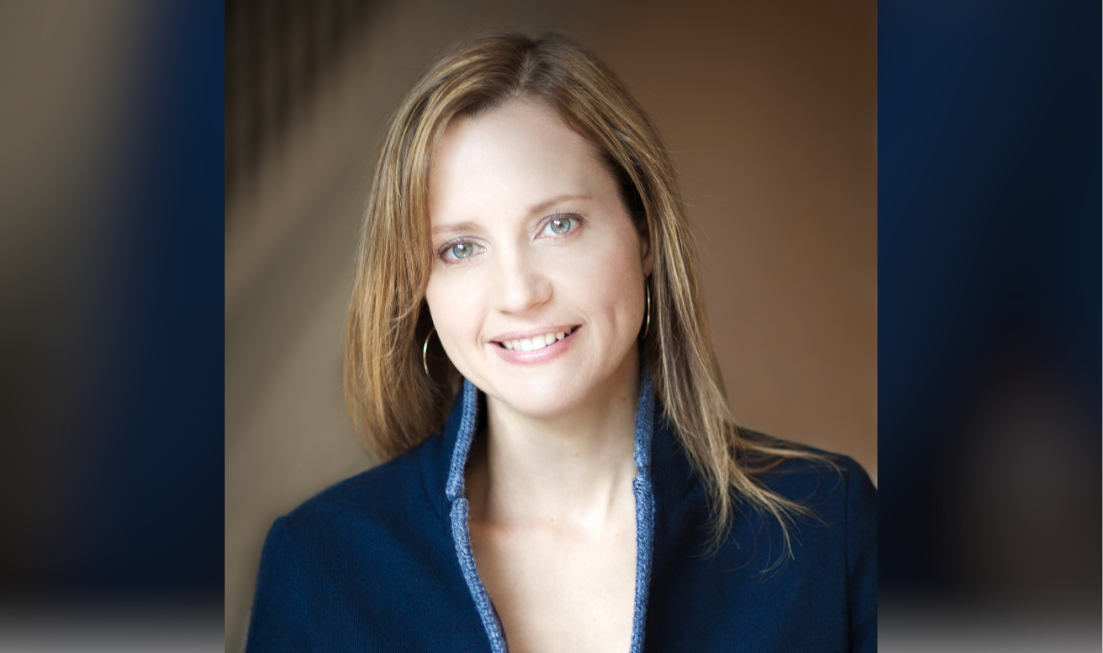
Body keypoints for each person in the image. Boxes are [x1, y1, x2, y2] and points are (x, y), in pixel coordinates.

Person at [246, 32, 876, 653]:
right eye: (460, 248)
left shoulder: (826, 525)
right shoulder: (318, 565)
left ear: (645, 233)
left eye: (558, 224)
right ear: (419, 289)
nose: (519, 293)